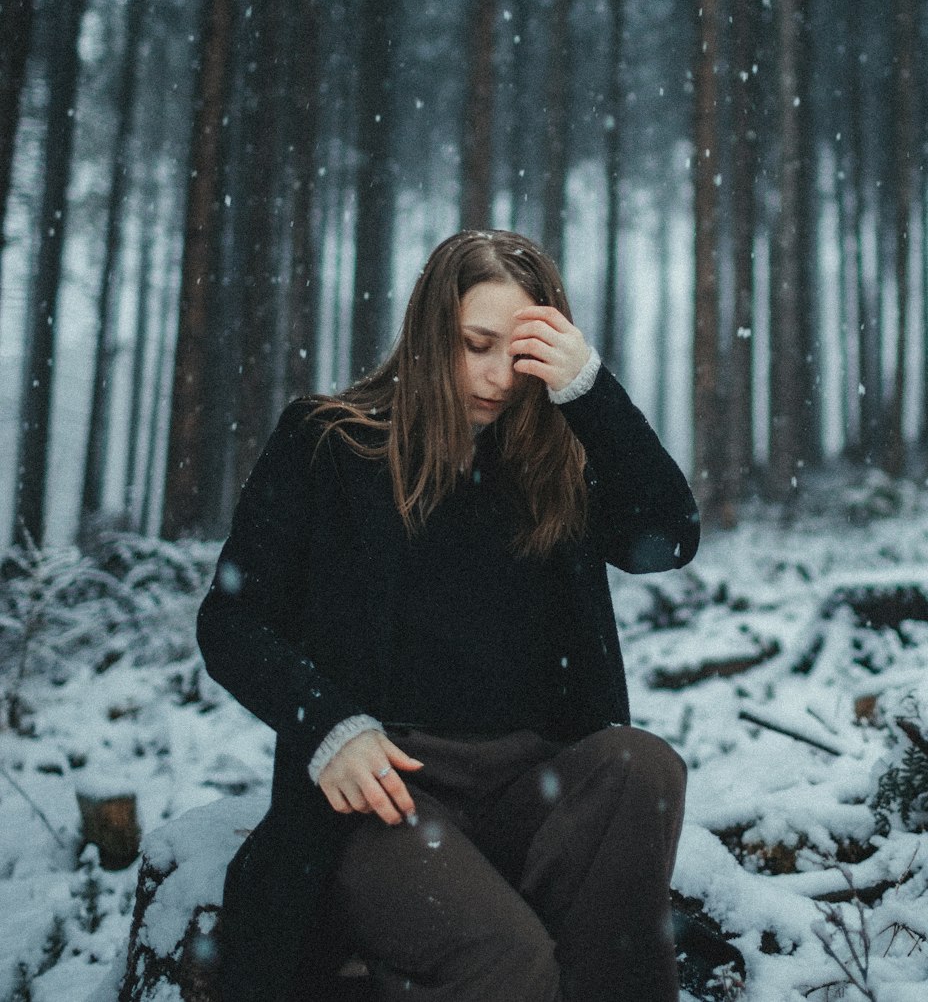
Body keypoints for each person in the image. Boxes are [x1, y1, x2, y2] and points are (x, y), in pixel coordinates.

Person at [197, 229, 700, 1002]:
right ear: (432, 333)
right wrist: (330, 728)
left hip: (529, 789)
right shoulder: (329, 443)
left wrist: (590, 392)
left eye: (521, 353)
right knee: (512, 964)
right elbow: (230, 622)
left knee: (644, 767)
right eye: (476, 345)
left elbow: (668, 537)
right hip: (387, 799)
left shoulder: (551, 462)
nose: (499, 377)